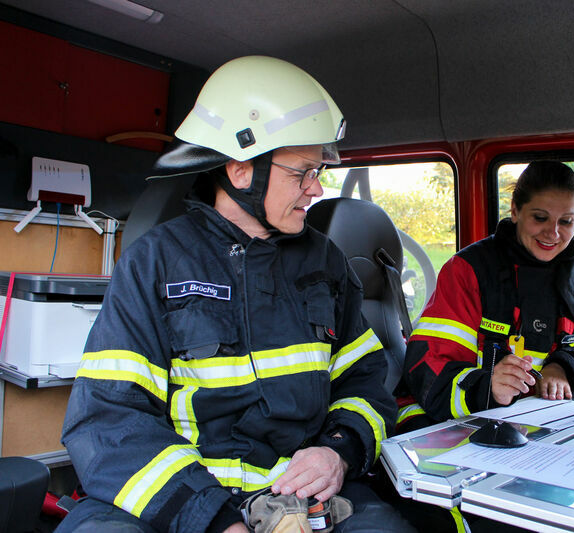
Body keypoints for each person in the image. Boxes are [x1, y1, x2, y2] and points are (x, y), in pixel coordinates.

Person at [56, 56, 415, 533]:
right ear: (242, 171)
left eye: (318, 171)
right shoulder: (155, 262)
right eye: (302, 173)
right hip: (185, 501)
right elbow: (108, 420)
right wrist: (213, 519)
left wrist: (338, 450)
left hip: (307, 499)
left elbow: (364, 381)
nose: (316, 189)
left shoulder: (325, 262)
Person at [398, 160, 574, 431]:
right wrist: (488, 387)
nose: (553, 233)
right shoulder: (469, 270)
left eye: (566, 221)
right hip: (466, 421)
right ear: (515, 211)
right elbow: (428, 364)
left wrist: (564, 367)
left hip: (550, 426)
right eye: (540, 218)